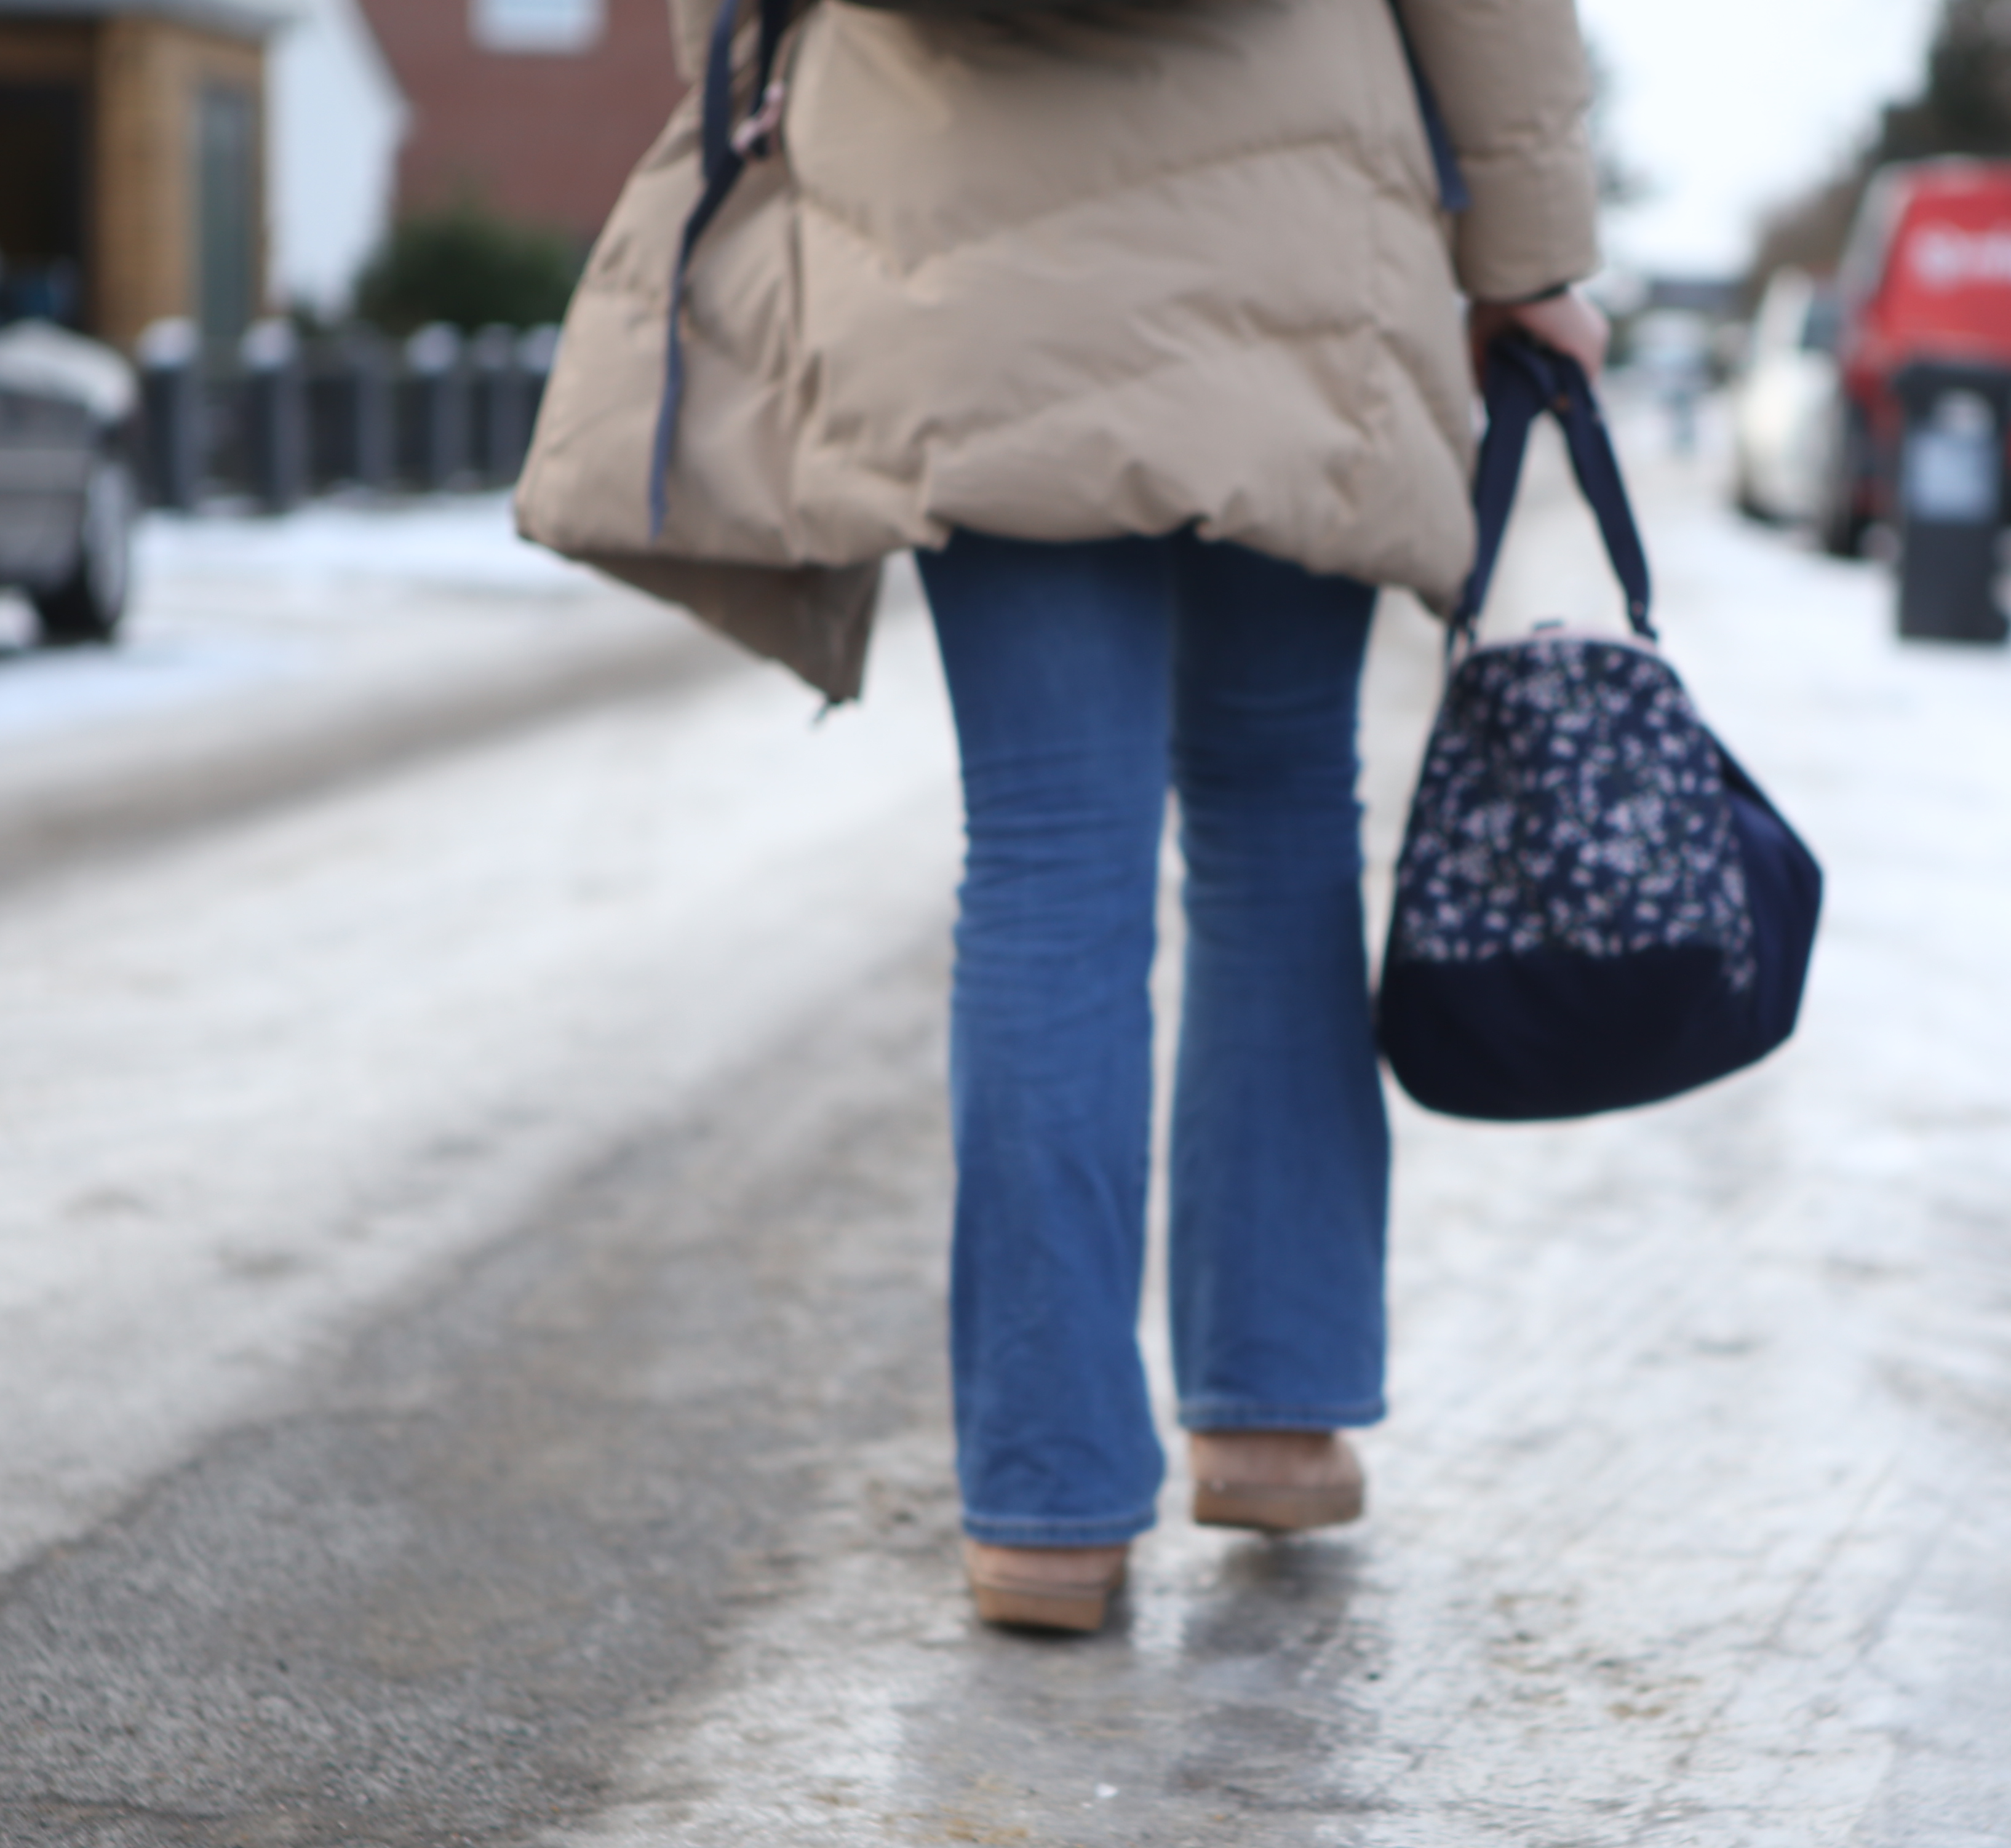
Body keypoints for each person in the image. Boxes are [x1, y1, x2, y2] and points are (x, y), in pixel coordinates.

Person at [524, 0, 1606, 1632]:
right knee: (1278, 822)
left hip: (953, 225)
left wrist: (744, 102)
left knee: (1044, 851)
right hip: (1297, 222)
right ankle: (1276, 1414)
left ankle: (1046, 1504)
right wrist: (1527, 256)